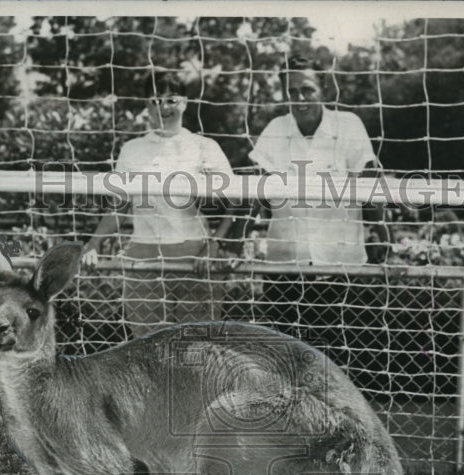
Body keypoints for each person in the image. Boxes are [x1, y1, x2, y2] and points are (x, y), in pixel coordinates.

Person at [82, 70, 236, 338]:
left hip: (194, 256)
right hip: (144, 257)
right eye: (155, 100)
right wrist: (93, 243)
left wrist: (215, 244)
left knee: (197, 346)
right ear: (145, 104)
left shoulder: (204, 146)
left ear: (185, 102)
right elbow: (119, 206)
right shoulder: (132, 149)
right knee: (148, 348)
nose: (163, 108)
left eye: (171, 100)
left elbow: (236, 202)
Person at [247, 56, 391, 339]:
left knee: (341, 363)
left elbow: (370, 186)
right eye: (292, 91)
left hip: (341, 271)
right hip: (285, 271)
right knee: (285, 363)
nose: (299, 98)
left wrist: (385, 243)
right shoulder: (276, 129)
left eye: (307, 90)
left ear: (323, 90)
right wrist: (229, 241)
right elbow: (253, 193)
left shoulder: (348, 126)